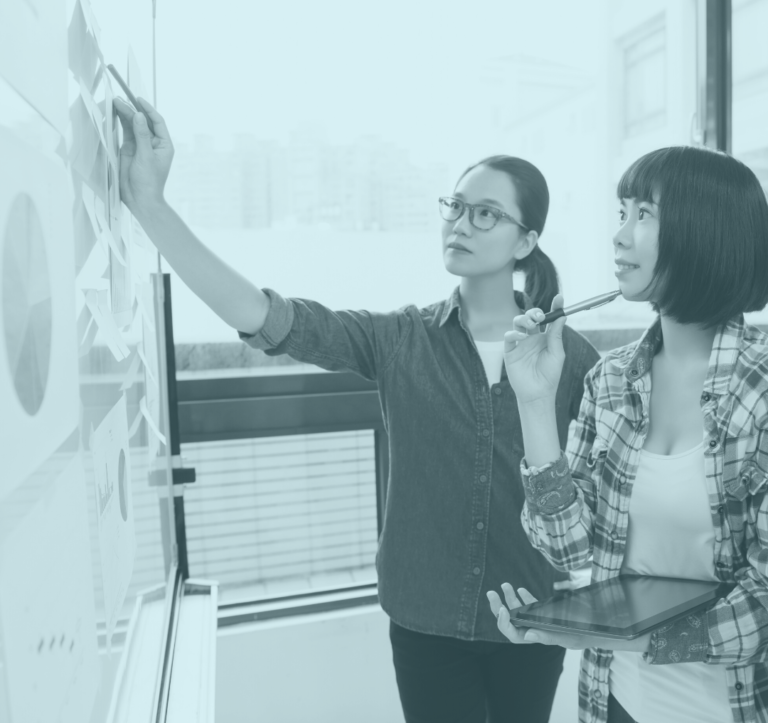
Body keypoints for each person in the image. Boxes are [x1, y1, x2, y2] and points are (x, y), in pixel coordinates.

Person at [114, 96, 600, 723]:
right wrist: (150, 204)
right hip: (424, 617)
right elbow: (267, 317)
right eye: (455, 207)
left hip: (533, 615)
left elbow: (590, 497)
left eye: (486, 214)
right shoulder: (402, 338)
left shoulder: (573, 358)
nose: (461, 224)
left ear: (526, 241)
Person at [486, 145, 768, 723]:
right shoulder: (609, 380)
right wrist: (534, 404)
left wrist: (605, 635)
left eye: (644, 214)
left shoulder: (760, 390)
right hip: (615, 701)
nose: (619, 235)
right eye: (621, 213)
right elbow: (568, 546)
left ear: (704, 230)